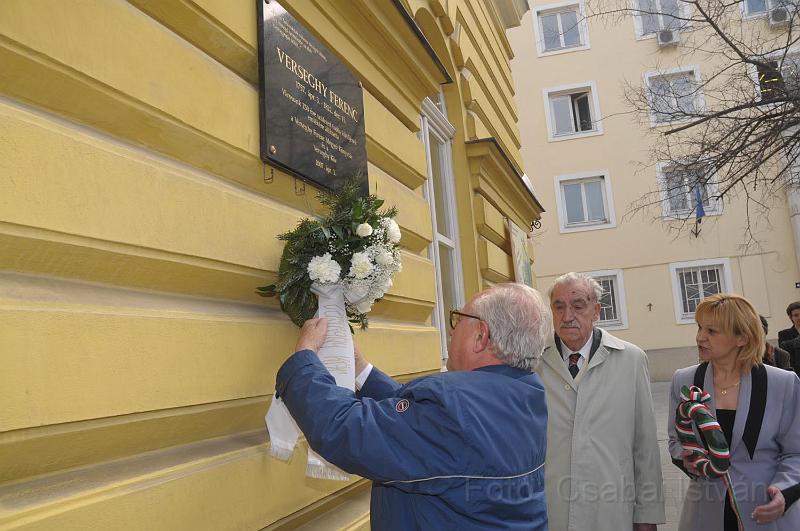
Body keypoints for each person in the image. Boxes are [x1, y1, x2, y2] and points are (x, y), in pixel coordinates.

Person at [272, 283, 552, 530]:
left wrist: (305, 358)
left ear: (481, 336)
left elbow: (344, 429)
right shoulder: (527, 394)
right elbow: (421, 426)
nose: (452, 330)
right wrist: (360, 368)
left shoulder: (454, 409)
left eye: (459, 319)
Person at [537, 272, 665, 531]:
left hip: (611, 509)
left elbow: (645, 445)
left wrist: (647, 514)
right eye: (559, 307)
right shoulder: (532, 362)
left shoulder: (631, 360)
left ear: (596, 311)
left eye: (578, 306)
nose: (567, 316)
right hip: (551, 510)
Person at [668, 293, 800, 530]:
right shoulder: (684, 380)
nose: (700, 337)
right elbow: (675, 441)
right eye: (699, 327)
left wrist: (783, 491)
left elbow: (796, 453)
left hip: (766, 511)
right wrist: (686, 457)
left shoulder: (783, 383)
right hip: (705, 511)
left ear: (742, 338)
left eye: (711, 331)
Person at [778, 301, 800, 375]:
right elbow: (783, 356)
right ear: (791, 318)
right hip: (795, 374)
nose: (799, 317)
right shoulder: (784, 334)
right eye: (796, 315)